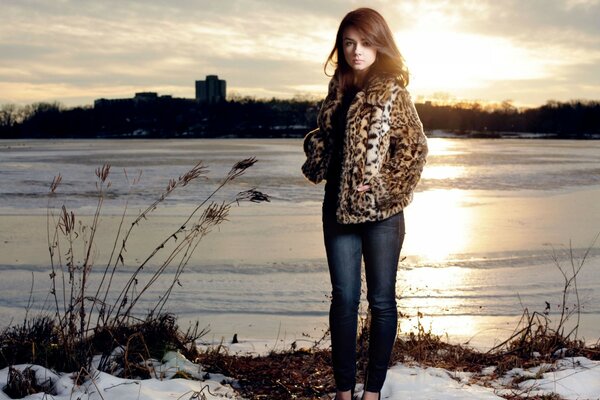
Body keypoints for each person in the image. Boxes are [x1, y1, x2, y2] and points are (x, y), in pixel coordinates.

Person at [302, 7, 428, 400]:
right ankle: (343, 390)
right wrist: (318, 150)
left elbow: (415, 149)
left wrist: (382, 184)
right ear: (341, 47)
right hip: (337, 211)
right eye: (349, 43)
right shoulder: (337, 89)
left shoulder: (392, 91)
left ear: (379, 46)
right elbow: (324, 138)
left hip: (383, 216)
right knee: (343, 298)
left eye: (366, 43)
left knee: (381, 300)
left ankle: (372, 391)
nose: (357, 51)